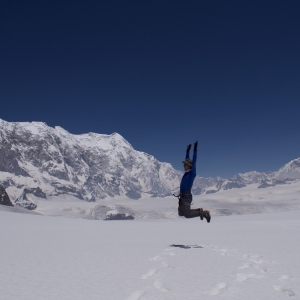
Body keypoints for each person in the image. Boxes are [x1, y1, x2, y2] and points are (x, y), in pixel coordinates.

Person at [176, 141, 211, 222]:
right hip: (182, 197)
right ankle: (199, 211)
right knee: (181, 213)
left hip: (186, 197)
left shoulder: (192, 173)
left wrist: (195, 151)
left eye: (185, 164)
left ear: (189, 166)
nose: (183, 166)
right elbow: (187, 160)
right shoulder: (186, 173)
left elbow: (194, 162)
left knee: (187, 215)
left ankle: (203, 213)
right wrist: (187, 151)